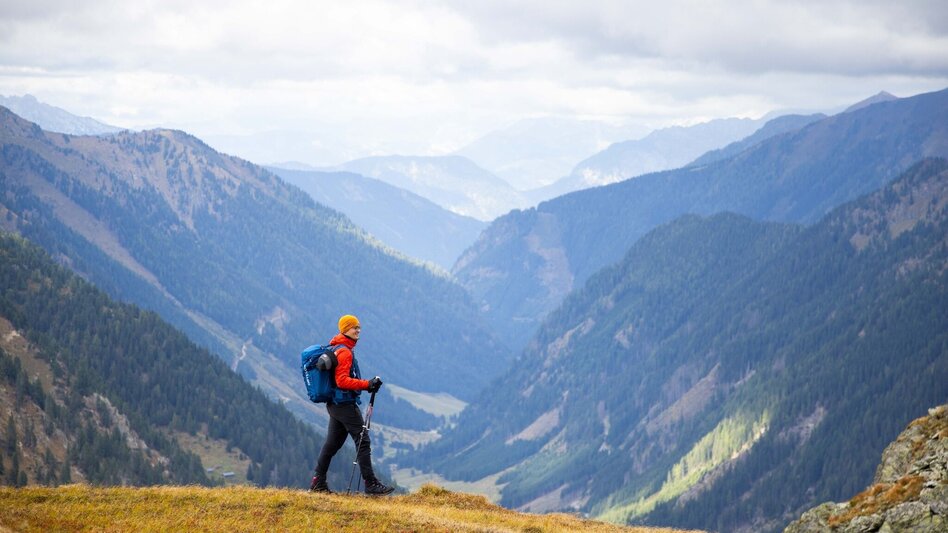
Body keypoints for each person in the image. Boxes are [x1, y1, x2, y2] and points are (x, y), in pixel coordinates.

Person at [310, 314, 394, 495]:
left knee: (332, 444)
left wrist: (366, 385)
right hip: (344, 404)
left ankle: (318, 482)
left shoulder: (337, 348)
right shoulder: (345, 352)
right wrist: (367, 384)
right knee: (363, 440)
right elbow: (341, 381)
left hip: (335, 404)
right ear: (345, 329)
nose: (358, 331)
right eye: (354, 327)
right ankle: (370, 483)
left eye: (359, 327)